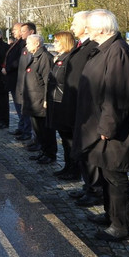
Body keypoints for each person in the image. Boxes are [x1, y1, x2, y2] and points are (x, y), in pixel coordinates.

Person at [76, 9, 129, 242]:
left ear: (101, 29)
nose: (87, 30)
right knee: (106, 174)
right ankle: (110, 215)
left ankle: (121, 226)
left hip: (112, 131)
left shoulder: (117, 51)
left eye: (90, 26)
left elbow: (118, 94)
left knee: (115, 178)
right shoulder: (105, 49)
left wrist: (107, 127)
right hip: (99, 126)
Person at [69, 11, 104, 207]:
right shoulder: (81, 46)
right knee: (83, 152)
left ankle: (95, 189)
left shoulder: (93, 47)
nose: (72, 27)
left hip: (89, 109)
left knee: (91, 153)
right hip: (78, 105)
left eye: (75, 23)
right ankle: (88, 185)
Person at [45, 31, 79, 179]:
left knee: (70, 139)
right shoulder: (60, 58)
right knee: (65, 139)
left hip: (64, 104)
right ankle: (67, 166)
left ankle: (74, 169)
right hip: (56, 102)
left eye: (57, 42)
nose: (54, 44)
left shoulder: (70, 58)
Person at [22, 34, 56, 165]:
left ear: (37, 44)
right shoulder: (35, 56)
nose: (26, 46)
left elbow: (48, 81)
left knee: (46, 130)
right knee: (38, 129)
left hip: (41, 100)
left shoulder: (45, 58)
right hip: (33, 100)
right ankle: (42, 151)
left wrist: (47, 99)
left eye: (28, 43)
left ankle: (49, 153)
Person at [13, 22, 37, 143]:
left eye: (23, 31)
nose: (21, 33)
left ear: (31, 32)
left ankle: (29, 133)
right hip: (21, 84)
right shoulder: (24, 47)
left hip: (29, 87)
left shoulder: (33, 51)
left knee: (29, 113)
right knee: (23, 110)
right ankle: (26, 130)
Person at [5, 23, 28, 136]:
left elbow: (20, 60)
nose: (13, 32)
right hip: (14, 80)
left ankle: (25, 129)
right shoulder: (17, 42)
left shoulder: (24, 43)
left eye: (15, 29)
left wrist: (8, 68)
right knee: (18, 106)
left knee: (22, 107)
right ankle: (21, 126)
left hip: (18, 78)